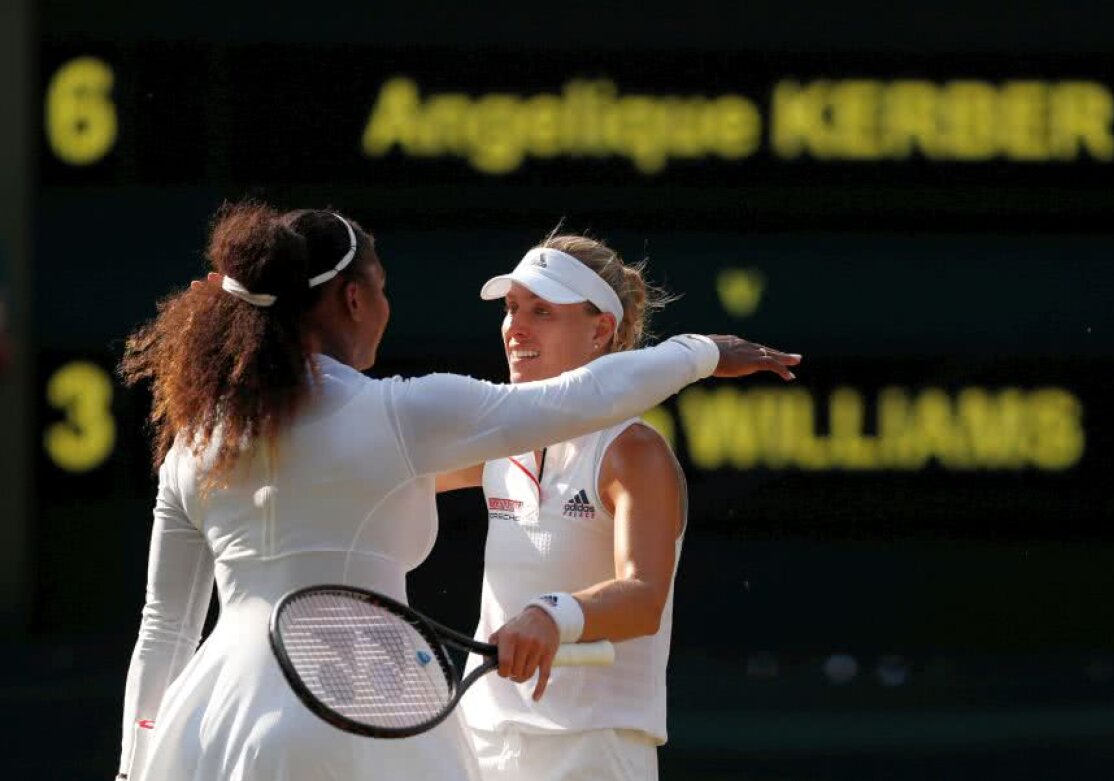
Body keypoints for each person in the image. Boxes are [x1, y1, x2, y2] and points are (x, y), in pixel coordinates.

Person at [114, 202, 800, 781]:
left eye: (541, 310)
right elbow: (583, 397)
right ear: (353, 300)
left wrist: (133, 765)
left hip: (210, 725)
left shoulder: (196, 444)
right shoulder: (404, 418)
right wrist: (702, 352)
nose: (515, 325)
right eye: (380, 287)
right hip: (382, 723)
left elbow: (164, 630)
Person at [440, 234, 759, 781]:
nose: (515, 328)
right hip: (481, 742)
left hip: (593, 750)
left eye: (542, 312)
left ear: (600, 330)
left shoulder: (634, 451)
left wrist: (550, 615)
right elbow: (381, 480)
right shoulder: (493, 437)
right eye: (513, 308)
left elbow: (642, 598)